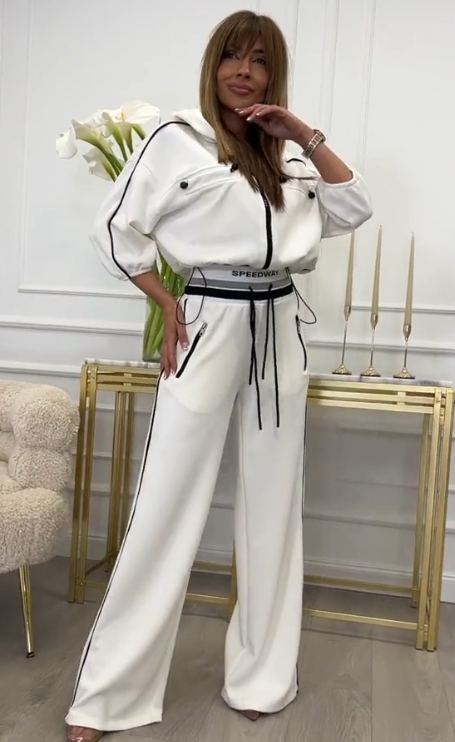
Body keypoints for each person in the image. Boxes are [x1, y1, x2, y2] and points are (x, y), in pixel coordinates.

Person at [66, 9, 373, 742]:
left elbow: (353, 207)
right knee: (166, 502)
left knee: (273, 502)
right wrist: (165, 301)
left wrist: (301, 132)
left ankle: (261, 676)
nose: (244, 71)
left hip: (281, 328)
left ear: (273, 75)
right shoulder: (176, 138)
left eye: (259, 61)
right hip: (208, 319)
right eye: (233, 57)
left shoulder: (287, 156)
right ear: (213, 65)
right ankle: (108, 697)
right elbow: (114, 228)